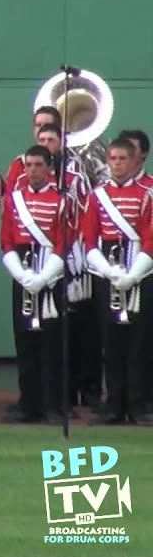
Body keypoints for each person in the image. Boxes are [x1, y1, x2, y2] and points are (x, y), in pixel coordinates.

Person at [83, 139, 153, 425]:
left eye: (122, 158)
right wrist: (110, 271)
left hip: (140, 270)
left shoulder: (148, 193)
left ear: (135, 160)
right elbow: (89, 239)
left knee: (139, 343)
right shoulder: (97, 195)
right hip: (108, 272)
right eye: (112, 158)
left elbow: (150, 238)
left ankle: (138, 405)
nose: (117, 163)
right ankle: (113, 404)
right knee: (110, 342)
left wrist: (134, 274)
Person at [0, 145, 70, 425]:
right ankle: (28, 403)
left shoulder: (62, 200)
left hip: (50, 275)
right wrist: (21, 275)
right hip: (23, 272)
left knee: (52, 344)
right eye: (28, 165)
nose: (32, 170)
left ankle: (53, 405)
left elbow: (65, 242)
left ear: (49, 168)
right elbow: (6, 240)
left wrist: (44, 277)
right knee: (25, 341)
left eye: (38, 165)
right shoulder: (14, 199)